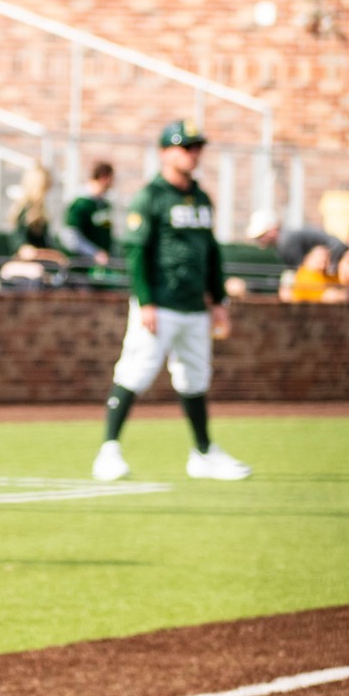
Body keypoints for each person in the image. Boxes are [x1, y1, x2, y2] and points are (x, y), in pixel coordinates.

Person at [92, 120, 250, 484]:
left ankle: (204, 453)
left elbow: (210, 251)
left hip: (194, 305)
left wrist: (219, 298)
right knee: (136, 371)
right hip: (160, 303)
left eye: (196, 147)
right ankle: (108, 450)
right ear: (165, 152)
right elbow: (136, 251)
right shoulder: (152, 196)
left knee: (195, 379)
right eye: (185, 146)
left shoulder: (202, 197)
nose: (192, 153)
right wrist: (145, 300)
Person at [245, 209, 346, 270]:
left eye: (262, 235)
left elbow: (300, 271)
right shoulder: (286, 238)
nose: (261, 241)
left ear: (273, 229)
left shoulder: (286, 242)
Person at [61, 161, 114, 262]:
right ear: (104, 178)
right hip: (82, 266)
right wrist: (94, 252)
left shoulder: (105, 205)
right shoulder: (80, 204)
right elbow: (71, 237)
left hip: (101, 265)